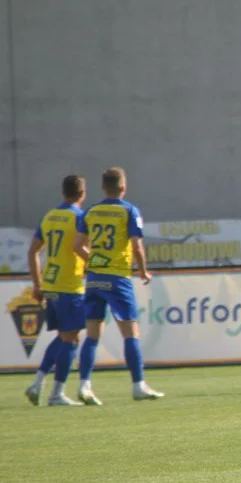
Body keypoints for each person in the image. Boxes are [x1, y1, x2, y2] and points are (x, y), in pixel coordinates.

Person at [74, 167, 163, 404]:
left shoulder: (91, 212)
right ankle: (138, 385)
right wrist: (143, 271)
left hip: (93, 279)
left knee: (92, 334)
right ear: (123, 187)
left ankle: (84, 386)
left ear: (103, 187)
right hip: (118, 279)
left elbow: (77, 246)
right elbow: (136, 246)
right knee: (130, 333)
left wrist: (94, 261)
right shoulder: (129, 211)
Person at [23, 175, 89, 406]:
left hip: (50, 284)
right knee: (71, 339)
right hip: (70, 285)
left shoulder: (49, 216)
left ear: (63, 192)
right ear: (82, 194)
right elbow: (80, 248)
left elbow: (33, 251)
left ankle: (38, 384)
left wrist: (37, 284)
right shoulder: (80, 217)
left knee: (64, 336)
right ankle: (56, 393)